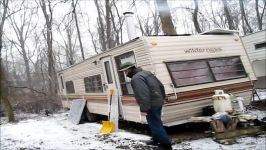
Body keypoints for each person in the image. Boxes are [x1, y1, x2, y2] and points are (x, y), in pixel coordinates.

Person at [120, 62, 172, 150]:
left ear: (128, 69)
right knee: (155, 122)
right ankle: (156, 140)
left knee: (155, 123)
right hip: (158, 101)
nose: (125, 73)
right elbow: (160, 86)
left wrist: (143, 108)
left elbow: (142, 94)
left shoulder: (136, 78)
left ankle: (166, 145)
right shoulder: (147, 73)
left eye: (125, 71)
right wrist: (162, 97)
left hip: (151, 103)